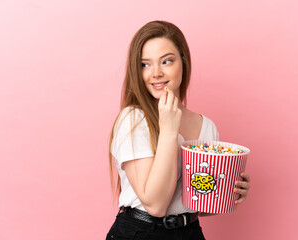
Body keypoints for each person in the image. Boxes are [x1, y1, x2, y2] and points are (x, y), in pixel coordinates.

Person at [106, 20, 251, 240]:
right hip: (139, 232)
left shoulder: (207, 126)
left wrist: (230, 192)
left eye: (166, 61)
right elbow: (155, 205)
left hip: (189, 232)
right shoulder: (133, 119)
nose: (155, 73)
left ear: (183, 62)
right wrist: (169, 130)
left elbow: (195, 202)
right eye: (145, 64)